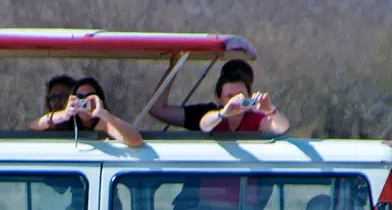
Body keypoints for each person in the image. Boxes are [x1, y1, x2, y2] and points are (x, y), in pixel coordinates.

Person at [149, 58, 289, 135]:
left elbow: (281, 128)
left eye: (241, 95)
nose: (236, 101)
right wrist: (223, 113)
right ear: (219, 98)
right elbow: (205, 124)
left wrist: (271, 110)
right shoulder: (211, 113)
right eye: (230, 96)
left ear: (249, 94)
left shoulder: (255, 118)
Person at [29, 76, 143, 147]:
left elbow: (136, 140)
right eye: (80, 97)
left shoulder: (102, 123)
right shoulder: (67, 119)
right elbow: (34, 126)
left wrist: (104, 114)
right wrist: (64, 114)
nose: (84, 101)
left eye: (90, 97)